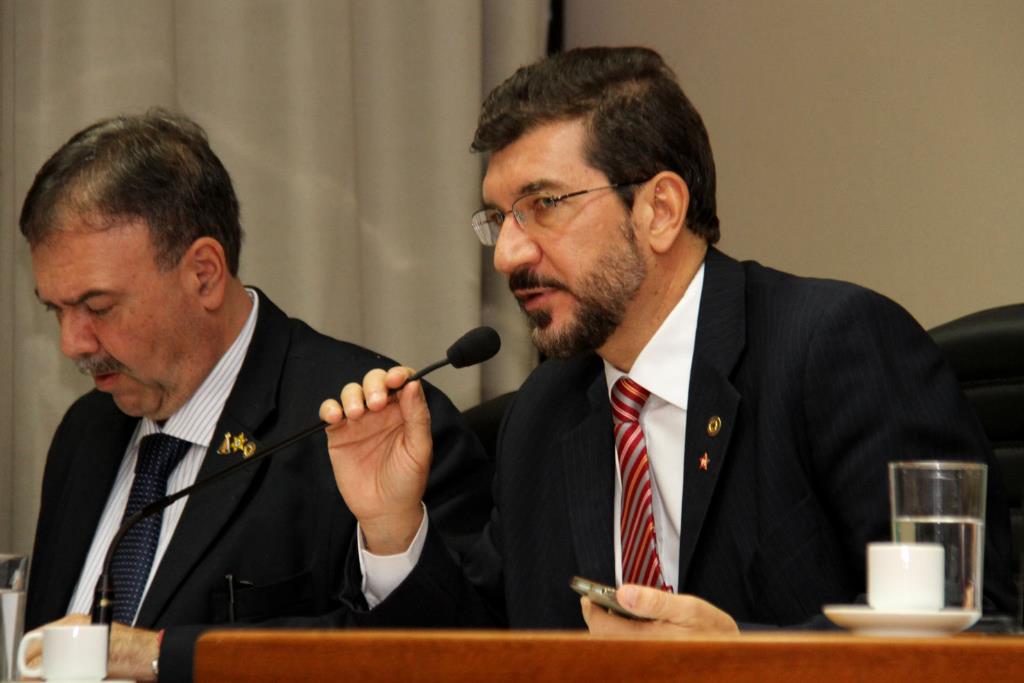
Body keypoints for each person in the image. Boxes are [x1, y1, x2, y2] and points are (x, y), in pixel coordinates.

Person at [320, 46, 1017, 633]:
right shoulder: (544, 414)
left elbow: (971, 625)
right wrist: (393, 528)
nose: (507, 254)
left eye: (543, 205)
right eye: (499, 218)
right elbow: (487, 651)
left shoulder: (835, 348)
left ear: (659, 209)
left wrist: (740, 662)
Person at [19, 110, 492, 680]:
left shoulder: (374, 422)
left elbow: (448, 655)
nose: (72, 343)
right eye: (56, 310)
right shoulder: (85, 431)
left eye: (98, 307)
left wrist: (157, 654)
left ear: (204, 274)